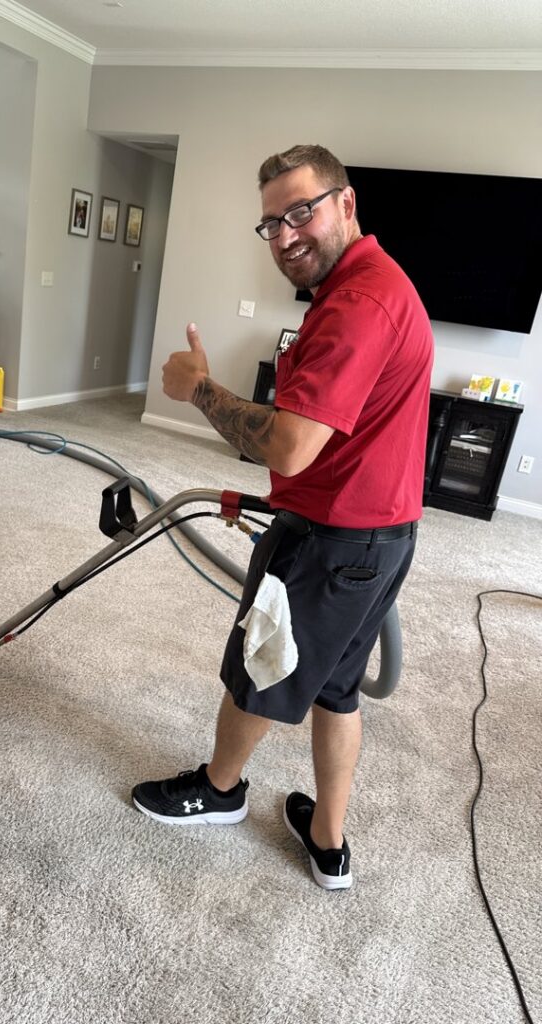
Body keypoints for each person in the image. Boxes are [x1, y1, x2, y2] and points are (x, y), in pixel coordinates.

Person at [131, 144, 434, 890]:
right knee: (335, 687)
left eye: (301, 212)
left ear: (346, 204)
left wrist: (201, 390)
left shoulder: (359, 305)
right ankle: (327, 841)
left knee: (258, 672)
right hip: (382, 535)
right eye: (270, 224)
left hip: (334, 544)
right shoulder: (372, 285)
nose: (286, 235)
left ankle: (221, 789)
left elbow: (293, 449)